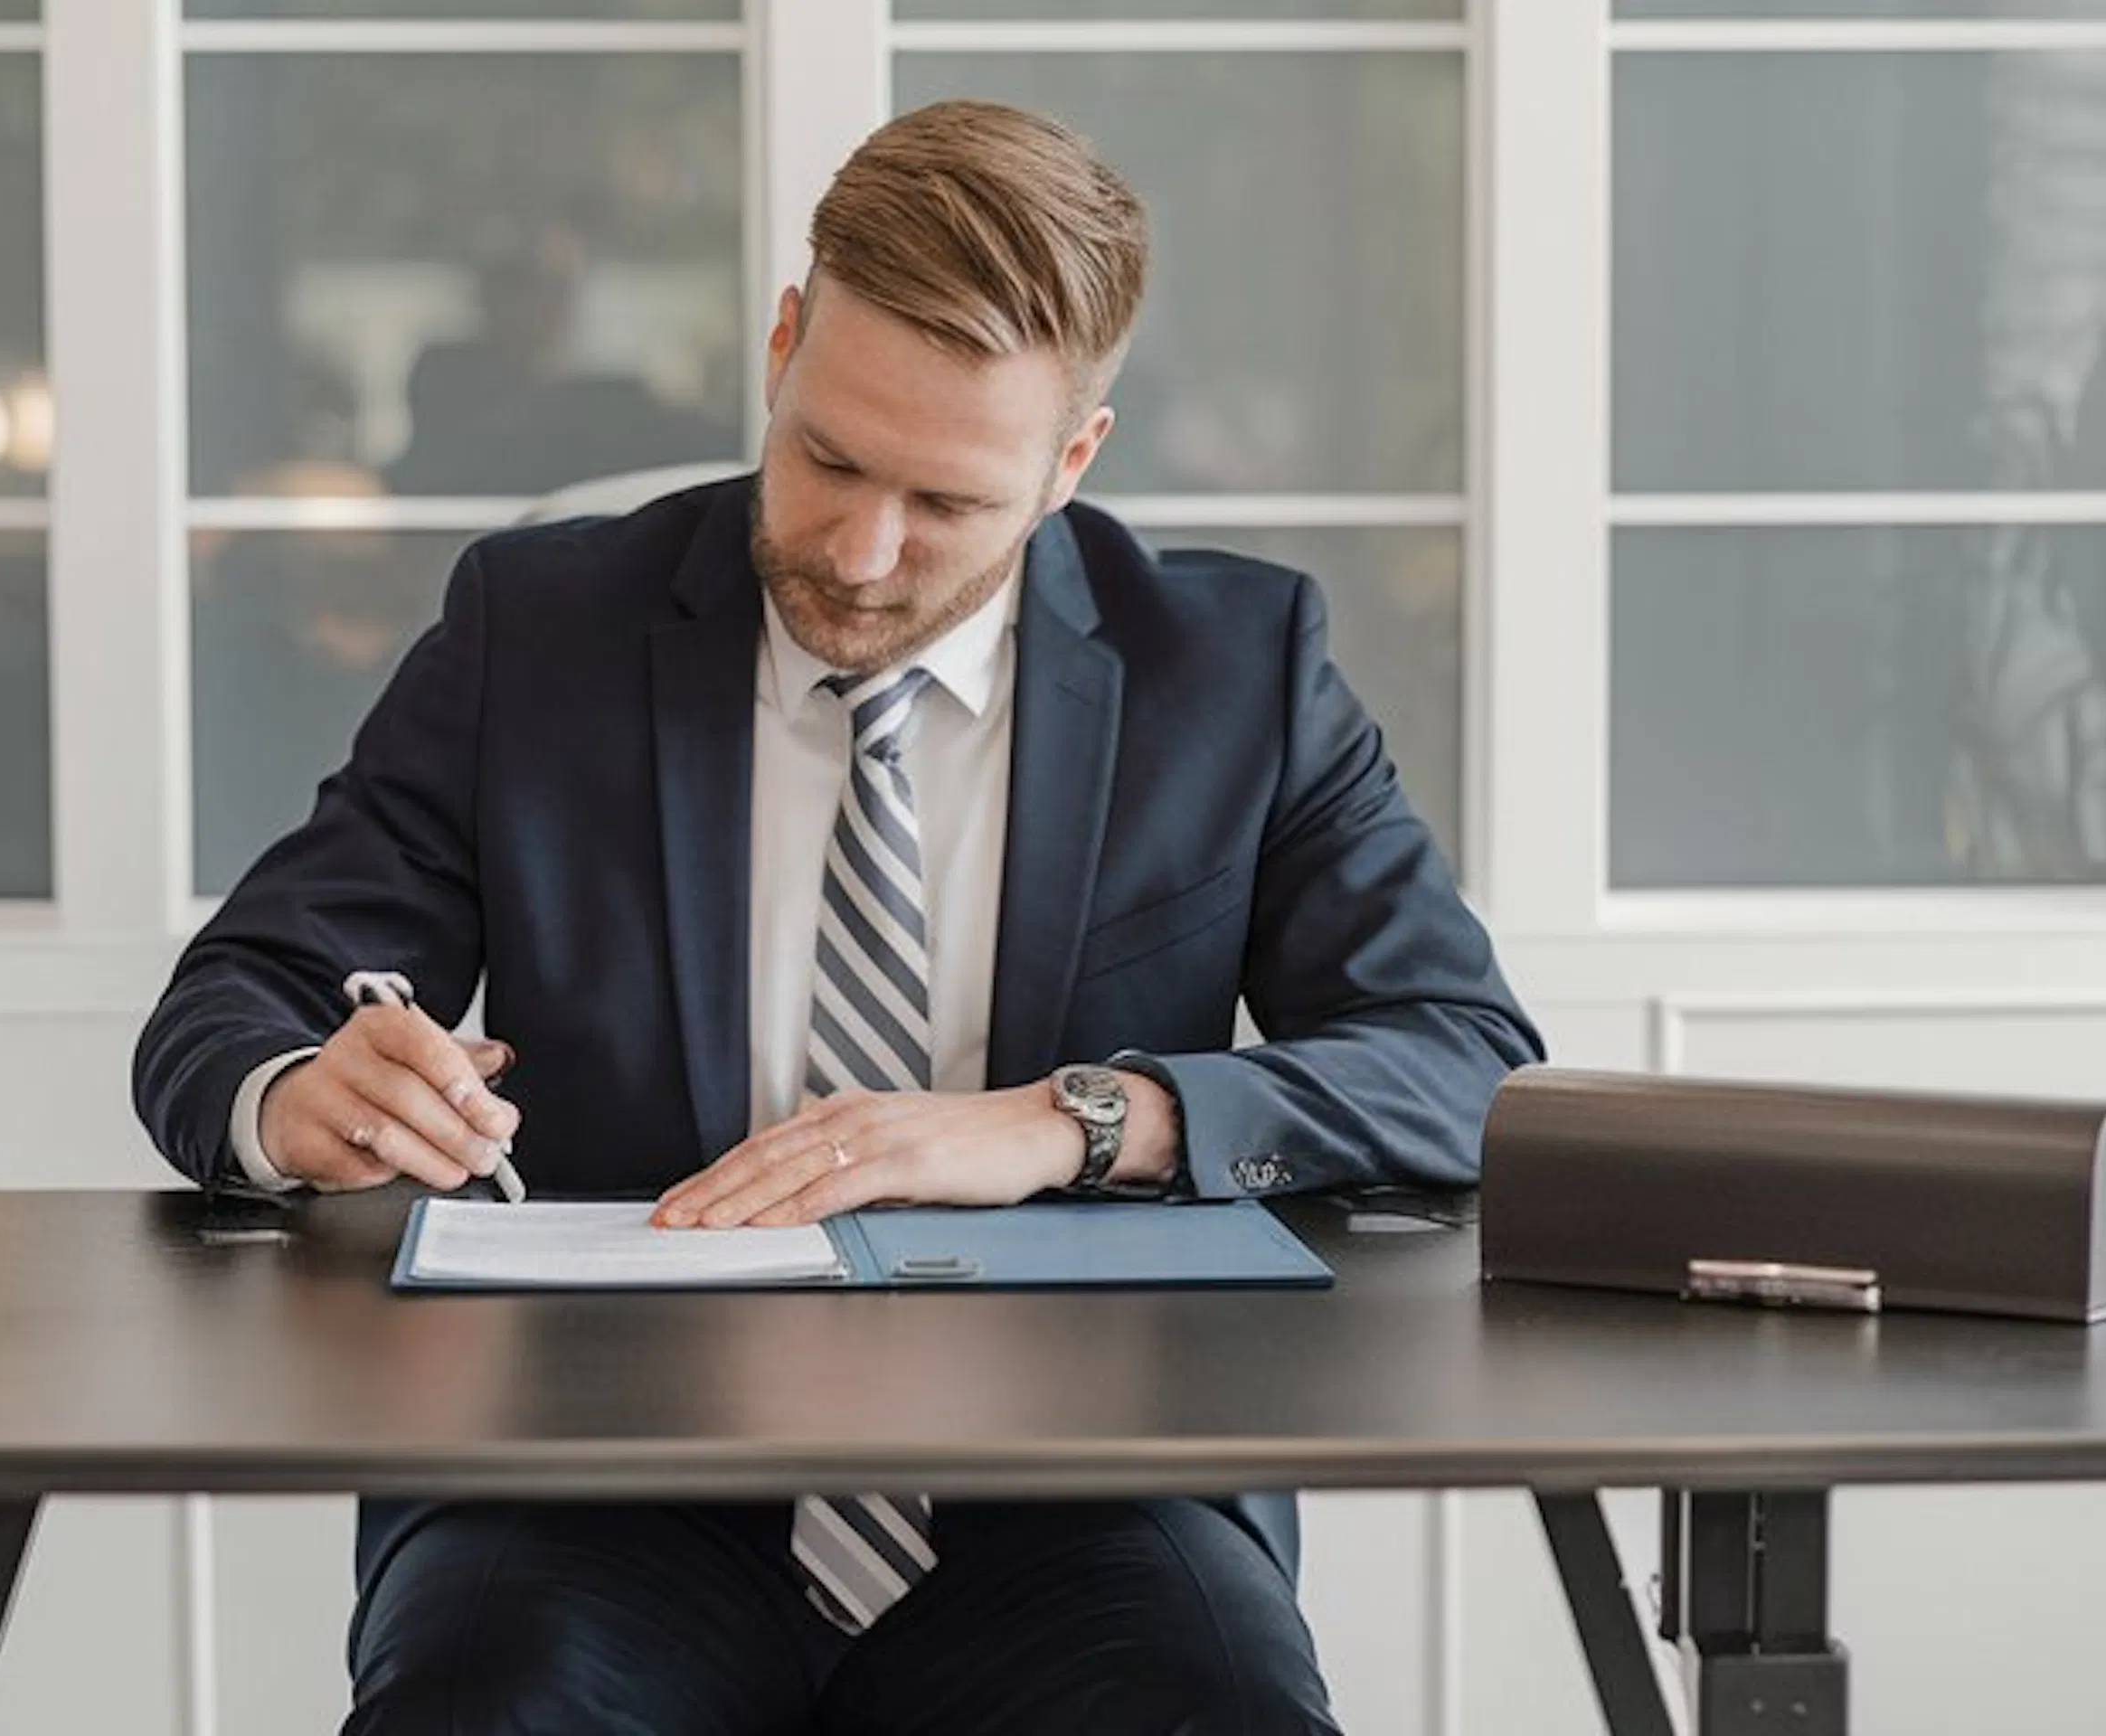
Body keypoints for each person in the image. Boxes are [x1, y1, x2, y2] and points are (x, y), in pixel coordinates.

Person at [134, 98, 1542, 1736]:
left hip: (1089, 1486)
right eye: (831, 460)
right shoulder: (540, 628)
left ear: (1072, 461)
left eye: (946, 503)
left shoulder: (1235, 673)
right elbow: (234, 1003)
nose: (864, 556)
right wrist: (297, 1095)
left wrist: (1077, 1121)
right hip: (593, 1482)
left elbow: (1465, 1063)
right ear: (784, 346)